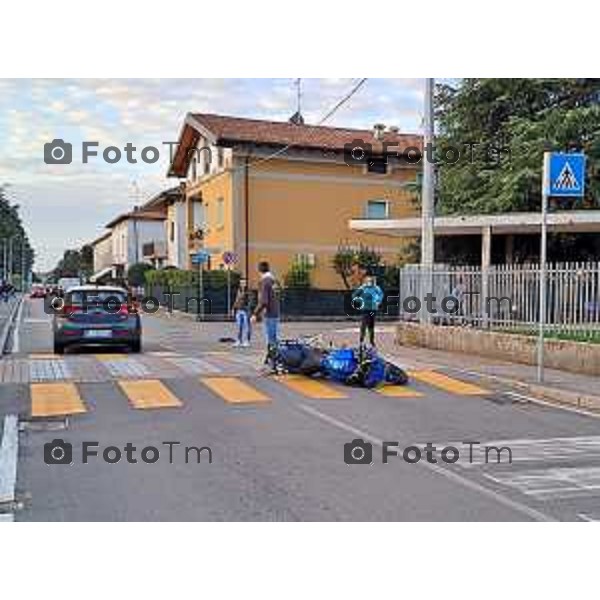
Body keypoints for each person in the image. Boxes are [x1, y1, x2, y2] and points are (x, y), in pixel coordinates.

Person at [251, 261, 280, 369]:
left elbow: (264, 301)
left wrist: (255, 314)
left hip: (269, 314)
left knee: (271, 339)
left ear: (259, 270)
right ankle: (269, 361)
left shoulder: (265, 282)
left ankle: (273, 363)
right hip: (275, 312)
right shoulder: (274, 281)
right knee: (273, 338)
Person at [353, 275, 384, 347]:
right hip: (365, 309)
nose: (369, 282)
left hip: (373, 309)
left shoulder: (376, 288)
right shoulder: (363, 288)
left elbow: (381, 295)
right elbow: (354, 295)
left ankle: (372, 341)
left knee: (371, 325)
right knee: (363, 324)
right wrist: (360, 301)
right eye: (368, 281)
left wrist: (378, 301)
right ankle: (361, 340)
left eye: (371, 281)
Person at [232, 278, 251, 347]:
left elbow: (250, 301)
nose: (243, 284)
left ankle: (247, 341)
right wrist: (233, 308)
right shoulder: (239, 291)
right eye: (241, 283)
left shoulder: (248, 291)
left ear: (246, 284)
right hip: (238, 310)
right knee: (239, 326)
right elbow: (236, 300)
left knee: (247, 326)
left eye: (244, 283)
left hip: (245, 311)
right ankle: (239, 340)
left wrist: (249, 310)